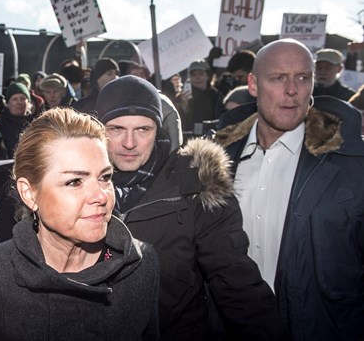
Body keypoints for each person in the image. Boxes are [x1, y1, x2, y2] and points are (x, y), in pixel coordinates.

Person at [94, 75, 287, 340]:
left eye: (143, 129)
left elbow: (234, 280)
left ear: (159, 130)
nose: (130, 142)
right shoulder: (76, 187)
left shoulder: (195, 186)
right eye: (116, 129)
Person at [0, 107, 160, 340]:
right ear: (29, 194)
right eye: (74, 182)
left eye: (105, 177)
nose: (101, 196)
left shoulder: (141, 266)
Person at [214, 38, 364, 340]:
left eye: (303, 78)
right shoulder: (215, 162)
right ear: (253, 85)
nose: (292, 90)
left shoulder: (352, 165)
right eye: (278, 78)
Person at [178, 59, 224, 136]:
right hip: (190, 136)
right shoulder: (183, 95)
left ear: (208, 76)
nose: (197, 77)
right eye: (194, 75)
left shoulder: (216, 94)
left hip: (211, 135)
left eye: (201, 74)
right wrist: (183, 105)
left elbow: (220, 115)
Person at [0, 82, 36, 157]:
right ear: (7, 103)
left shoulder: (35, 124)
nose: (19, 102)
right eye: (15, 99)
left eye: (23, 99)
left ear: (28, 103)